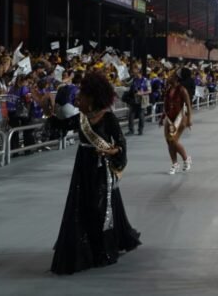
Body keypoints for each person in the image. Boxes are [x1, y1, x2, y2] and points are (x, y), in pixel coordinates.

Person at [51, 71, 141, 274]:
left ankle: (102, 249)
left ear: (92, 98)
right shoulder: (81, 118)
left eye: (81, 95)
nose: (78, 98)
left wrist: (110, 151)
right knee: (81, 207)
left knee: (101, 208)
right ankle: (85, 248)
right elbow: (60, 127)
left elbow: (121, 145)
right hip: (83, 168)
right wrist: (47, 111)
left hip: (101, 170)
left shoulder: (108, 118)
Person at [160, 71, 193, 175]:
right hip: (169, 118)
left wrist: (189, 119)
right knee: (169, 142)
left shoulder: (182, 90)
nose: (168, 77)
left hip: (180, 118)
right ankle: (174, 164)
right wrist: (162, 117)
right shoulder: (168, 89)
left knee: (173, 141)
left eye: (171, 76)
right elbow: (165, 105)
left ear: (176, 78)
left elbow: (188, 105)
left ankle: (186, 158)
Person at [126, 68, 150, 136]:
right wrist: (124, 80)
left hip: (142, 101)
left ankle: (140, 130)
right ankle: (131, 130)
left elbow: (149, 91)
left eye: (135, 72)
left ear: (139, 72)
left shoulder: (145, 80)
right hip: (134, 100)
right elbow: (126, 84)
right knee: (130, 115)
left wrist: (142, 93)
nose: (133, 73)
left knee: (141, 116)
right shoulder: (134, 79)